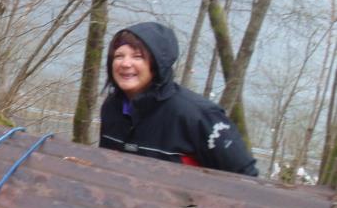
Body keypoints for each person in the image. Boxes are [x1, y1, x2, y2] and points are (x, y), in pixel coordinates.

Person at [98, 21, 258, 176]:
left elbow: (245, 177)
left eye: (137, 56)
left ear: (157, 64)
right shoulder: (112, 107)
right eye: (119, 56)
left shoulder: (197, 115)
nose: (125, 64)